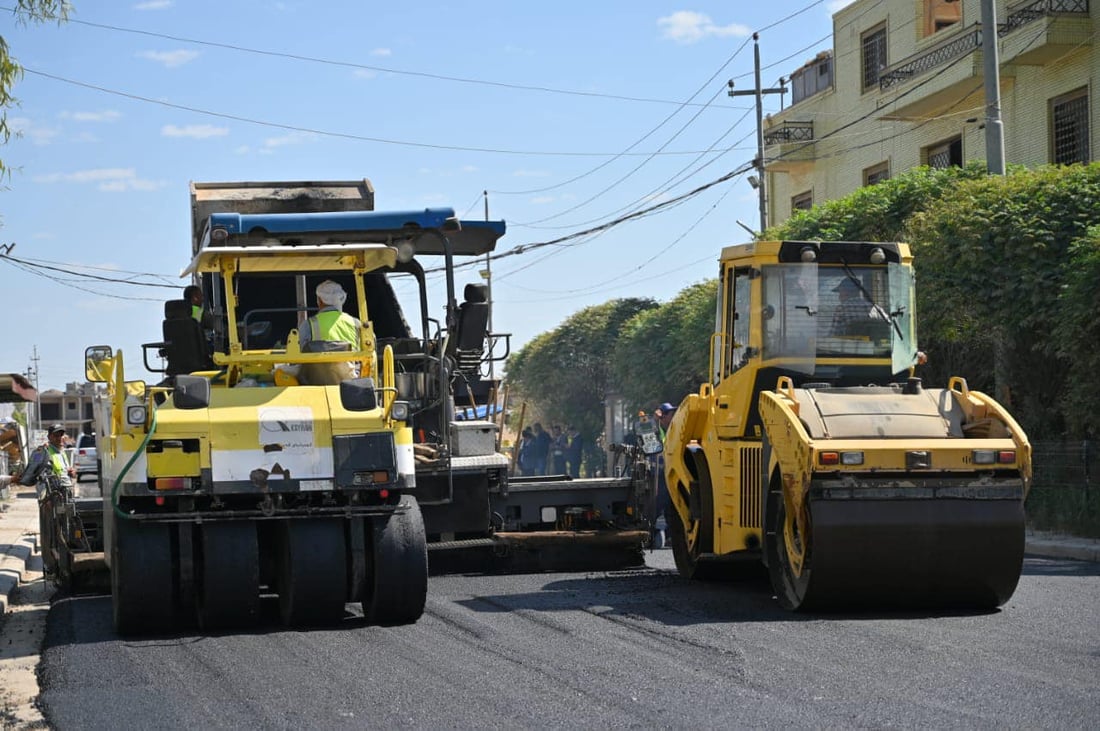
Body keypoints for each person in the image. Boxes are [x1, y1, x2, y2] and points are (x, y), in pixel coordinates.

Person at [19, 423, 76, 577]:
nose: (60, 437)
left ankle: (67, 562)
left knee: (67, 530)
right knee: (50, 532)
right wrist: (45, 498)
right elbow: (35, 474)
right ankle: (51, 566)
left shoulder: (61, 452)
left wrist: (71, 472)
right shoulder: (43, 451)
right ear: (49, 436)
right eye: (56, 435)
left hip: (65, 495)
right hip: (51, 499)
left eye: (61, 434)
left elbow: (63, 472)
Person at [299, 280, 362, 351]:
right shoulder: (356, 323)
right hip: (351, 361)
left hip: (320, 362)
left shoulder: (308, 324)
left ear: (320, 300)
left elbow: (301, 351)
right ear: (341, 299)